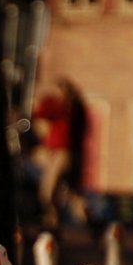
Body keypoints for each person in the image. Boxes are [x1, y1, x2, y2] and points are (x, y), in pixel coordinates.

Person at [32, 78, 88, 228]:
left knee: (47, 191)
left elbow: (39, 114)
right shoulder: (77, 107)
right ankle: (89, 221)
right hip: (71, 153)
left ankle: (51, 221)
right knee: (73, 191)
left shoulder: (61, 106)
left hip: (60, 152)